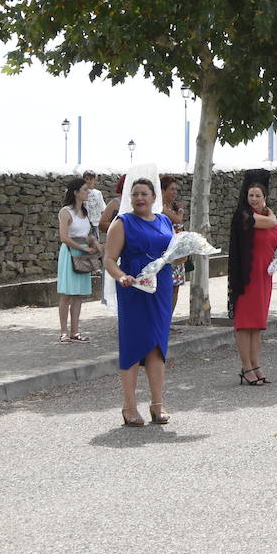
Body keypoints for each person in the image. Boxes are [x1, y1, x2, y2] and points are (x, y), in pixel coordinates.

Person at [104, 177, 175, 423]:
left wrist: (181, 257)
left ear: (154, 197)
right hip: (133, 287)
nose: (140, 198)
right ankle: (129, 406)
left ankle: (157, 405)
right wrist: (122, 277)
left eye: (144, 194)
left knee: (157, 345)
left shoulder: (165, 221)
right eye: (135, 194)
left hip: (161, 287)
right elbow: (109, 260)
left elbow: (171, 253)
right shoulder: (122, 223)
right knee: (134, 345)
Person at [229, 170, 277, 384]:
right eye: (251, 195)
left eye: (258, 195)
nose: (254, 199)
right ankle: (246, 367)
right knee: (244, 323)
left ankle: (255, 364)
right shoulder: (245, 215)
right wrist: (273, 216)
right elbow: (270, 223)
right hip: (247, 275)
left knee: (257, 324)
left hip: (264, 275)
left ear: (265, 197)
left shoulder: (267, 214)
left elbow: (275, 236)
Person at [56, 177, 98, 343]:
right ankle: (63, 332)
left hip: (83, 254)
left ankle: (75, 331)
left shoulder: (84, 212)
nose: (88, 192)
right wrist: (83, 248)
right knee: (67, 294)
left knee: (79, 295)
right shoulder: (65, 212)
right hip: (71, 254)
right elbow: (64, 237)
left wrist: (95, 245)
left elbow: (87, 235)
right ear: (76, 192)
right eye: (85, 190)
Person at [160, 175, 186, 321]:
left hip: (178, 253)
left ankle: (168, 320)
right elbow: (178, 220)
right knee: (165, 288)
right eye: (171, 189)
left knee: (175, 288)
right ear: (163, 190)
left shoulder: (173, 207)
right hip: (166, 253)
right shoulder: (160, 207)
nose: (175, 192)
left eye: (176, 189)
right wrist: (181, 210)